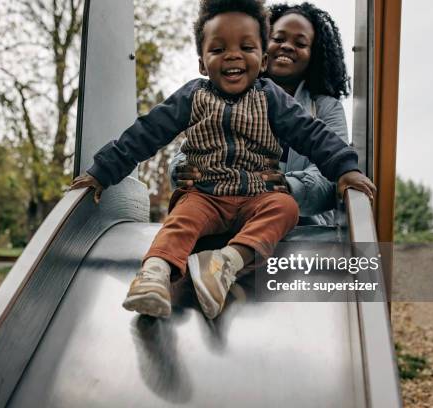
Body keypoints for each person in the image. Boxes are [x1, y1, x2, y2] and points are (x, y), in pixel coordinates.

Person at [70, 0, 375, 320]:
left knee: (284, 208)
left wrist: (345, 168)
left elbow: (312, 135)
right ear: (202, 63)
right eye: (219, 49)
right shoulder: (193, 97)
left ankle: (225, 262)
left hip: (257, 196)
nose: (233, 55)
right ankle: (153, 274)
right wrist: (102, 171)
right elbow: (146, 133)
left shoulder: (273, 99)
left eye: (245, 46)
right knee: (182, 217)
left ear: (262, 58)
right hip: (206, 195)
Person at [172, 2, 354, 226]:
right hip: (229, 225)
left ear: (314, 54)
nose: (287, 46)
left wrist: (287, 187)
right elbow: (190, 149)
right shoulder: (225, 94)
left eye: (300, 43)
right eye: (278, 38)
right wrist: (182, 172)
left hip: (302, 236)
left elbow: (332, 175)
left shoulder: (326, 107)